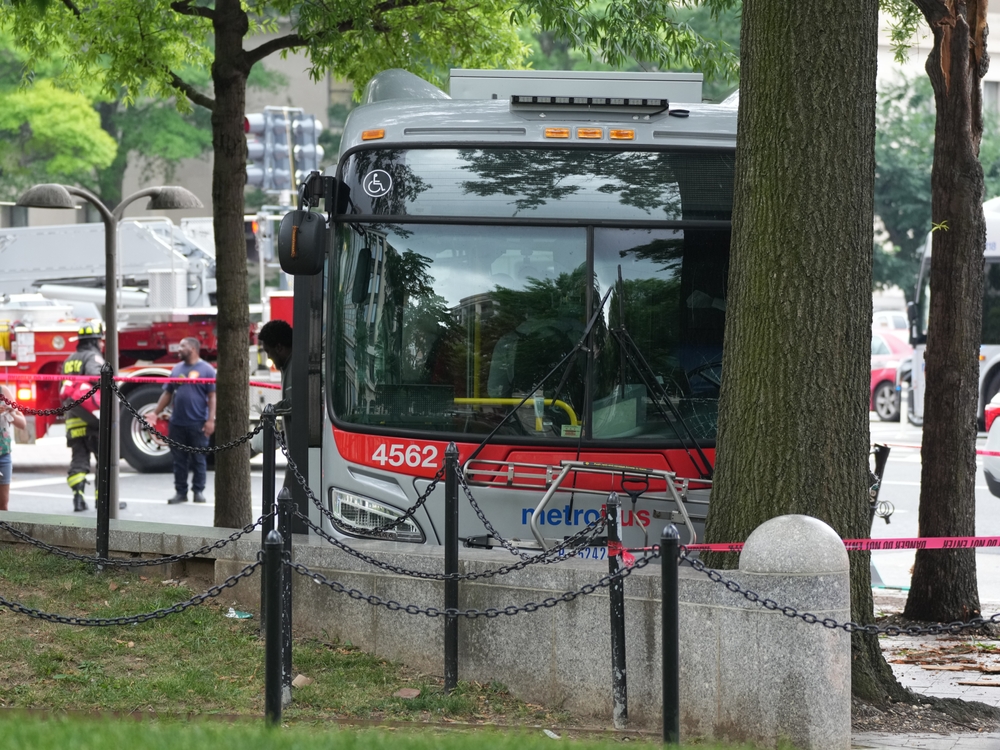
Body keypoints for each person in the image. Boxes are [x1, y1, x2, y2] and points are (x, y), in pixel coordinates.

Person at [151, 337, 216, 504]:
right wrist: (155, 413)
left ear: (193, 349)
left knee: (198, 459)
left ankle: (198, 492)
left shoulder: (207, 370)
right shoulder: (176, 369)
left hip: (198, 423)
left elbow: (212, 397)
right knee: (179, 461)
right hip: (177, 423)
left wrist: (210, 421)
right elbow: (167, 393)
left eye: (182, 346)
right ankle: (181, 492)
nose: (178, 349)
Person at [60, 322, 105, 512]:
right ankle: (101, 501)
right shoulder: (93, 357)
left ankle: (78, 499)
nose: (102, 344)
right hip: (92, 419)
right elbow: (97, 378)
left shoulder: (69, 359)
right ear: (95, 340)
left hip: (73, 418)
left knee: (79, 459)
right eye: (100, 341)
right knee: (103, 461)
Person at [0, 384, 27, 511]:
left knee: (3, 504)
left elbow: (22, 424)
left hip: (3, 454)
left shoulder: (2, 390)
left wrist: (11, 413)